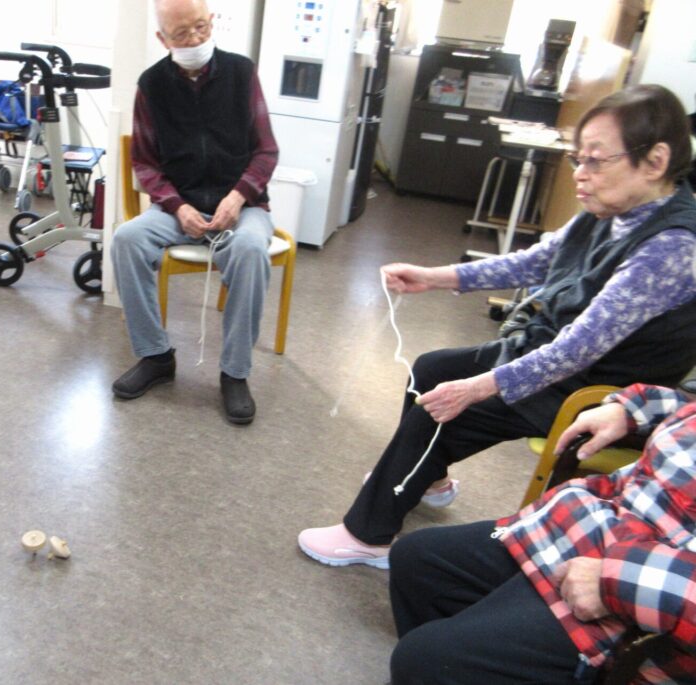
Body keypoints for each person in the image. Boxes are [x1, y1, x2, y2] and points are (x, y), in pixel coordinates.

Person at [298, 84, 696, 568]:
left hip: (598, 392)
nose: (580, 174)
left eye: (595, 160)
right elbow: (537, 261)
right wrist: (435, 277)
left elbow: (577, 350)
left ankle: (369, 535)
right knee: (430, 369)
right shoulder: (614, 207)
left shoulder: (671, 247)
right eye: (578, 159)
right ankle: (428, 479)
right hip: (561, 358)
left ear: (655, 162)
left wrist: (477, 388)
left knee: (439, 407)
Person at [388, 383, 696, 684]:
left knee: (425, 660)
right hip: (589, 529)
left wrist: (616, 580)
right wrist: (633, 407)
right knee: (416, 560)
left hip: (642, 596)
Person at [110, 0, 278, 425]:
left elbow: (266, 151)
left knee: (250, 251)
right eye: (182, 33)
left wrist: (237, 196)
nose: (196, 38)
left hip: (243, 205)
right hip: (177, 207)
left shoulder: (241, 73)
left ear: (212, 21)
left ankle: (235, 373)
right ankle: (156, 356)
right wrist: (177, 206)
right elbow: (145, 163)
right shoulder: (151, 85)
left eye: (201, 27)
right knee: (126, 240)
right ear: (162, 38)